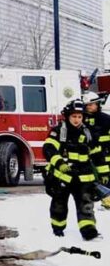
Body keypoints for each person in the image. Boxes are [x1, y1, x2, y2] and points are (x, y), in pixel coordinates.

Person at [42, 99, 103, 240]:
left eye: (79, 117)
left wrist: (102, 173)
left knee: (86, 205)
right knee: (59, 205)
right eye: (74, 116)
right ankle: (58, 229)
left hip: (83, 177)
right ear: (68, 116)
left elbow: (97, 154)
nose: (77, 120)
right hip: (63, 177)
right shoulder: (58, 132)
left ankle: (89, 231)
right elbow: (49, 149)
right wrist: (60, 164)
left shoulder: (88, 133)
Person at [82, 91, 110, 207]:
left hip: (105, 154)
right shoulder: (81, 118)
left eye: (91, 104)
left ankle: (107, 202)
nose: (89, 107)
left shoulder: (105, 119)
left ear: (97, 104)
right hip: (88, 155)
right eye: (87, 105)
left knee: (106, 178)